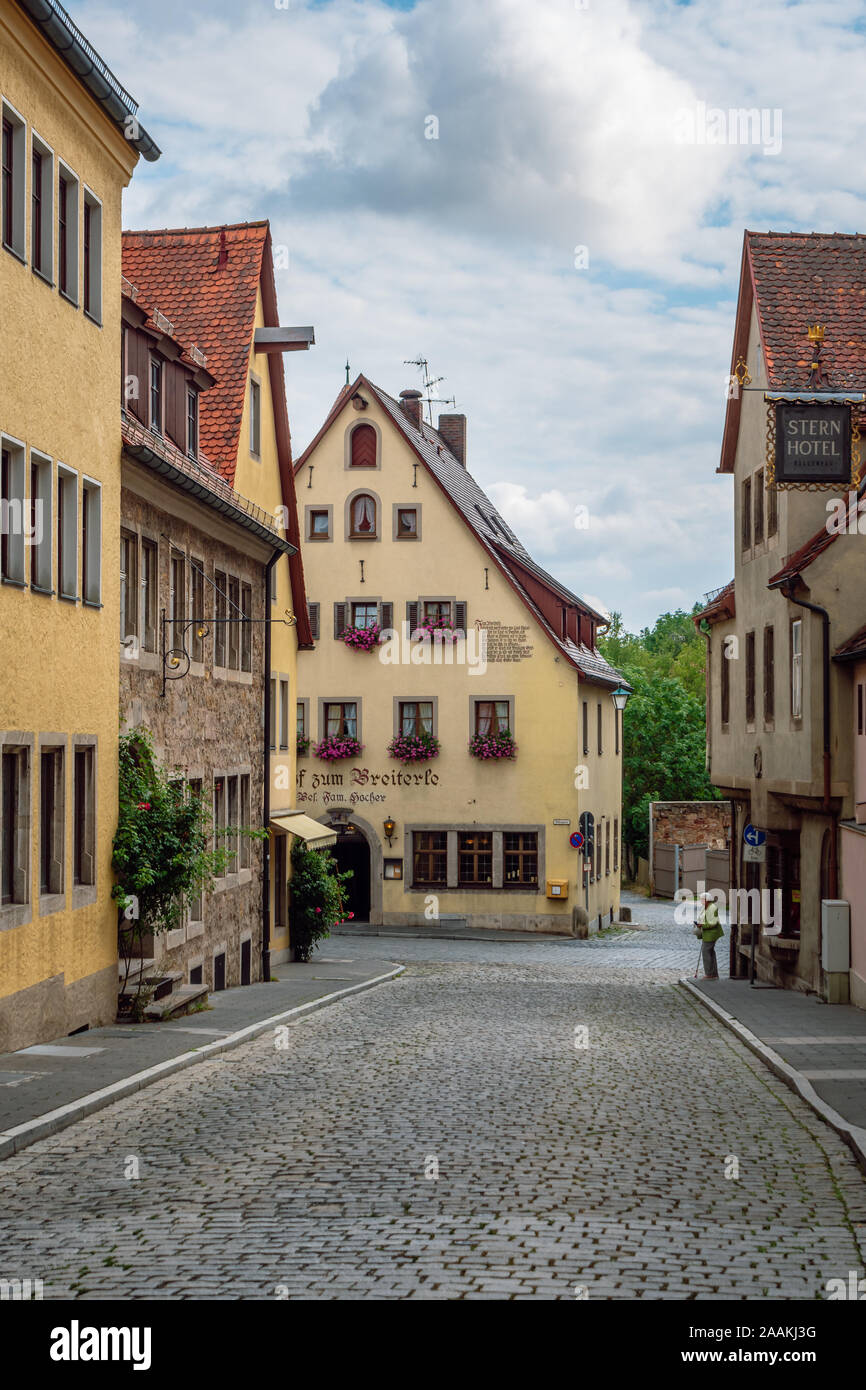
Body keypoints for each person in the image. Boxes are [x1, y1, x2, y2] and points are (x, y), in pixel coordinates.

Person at [696, 891, 724, 979]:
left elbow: (713, 923)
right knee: (710, 952)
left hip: (711, 933)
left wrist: (702, 925)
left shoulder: (712, 908)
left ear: (707, 900)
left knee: (706, 952)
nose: (701, 901)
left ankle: (709, 974)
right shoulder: (705, 907)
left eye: (702, 899)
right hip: (707, 933)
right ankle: (713, 973)